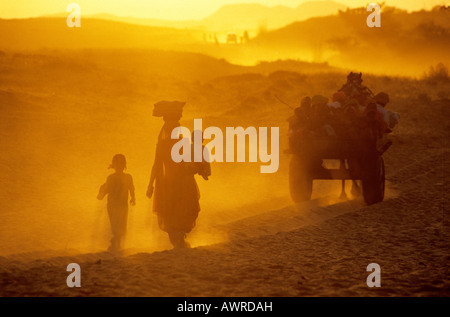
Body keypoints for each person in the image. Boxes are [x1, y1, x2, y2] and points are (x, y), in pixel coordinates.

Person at [147, 101, 208, 249]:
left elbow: (157, 160)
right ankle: (179, 240)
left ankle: (178, 240)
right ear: (173, 114)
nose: (181, 114)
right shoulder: (174, 129)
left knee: (172, 209)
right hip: (178, 176)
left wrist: (151, 183)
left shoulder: (166, 131)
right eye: (179, 112)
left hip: (169, 177)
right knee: (184, 207)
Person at [97, 154, 135, 252]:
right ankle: (115, 242)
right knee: (115, 224)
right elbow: (107, 189)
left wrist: (133, 198)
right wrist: (101, 192)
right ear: (114, 165)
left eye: (121, 164)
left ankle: (116, 243)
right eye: (117, 164)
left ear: (124, 165)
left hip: (122, 205)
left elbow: (131, 188)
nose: (119, 166)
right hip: (112, 205)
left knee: (121, 224)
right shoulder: (110, 178)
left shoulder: (128, 177)